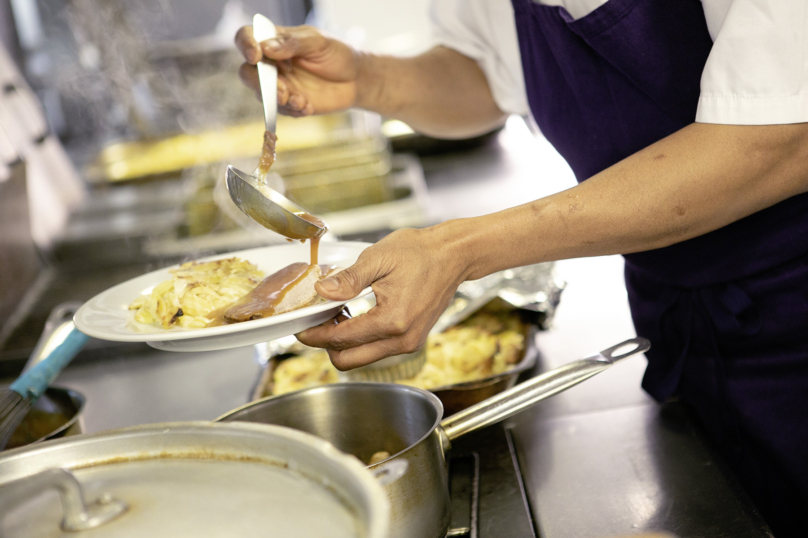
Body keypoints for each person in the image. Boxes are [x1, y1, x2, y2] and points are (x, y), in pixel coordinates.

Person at [235, 0, 808, 534]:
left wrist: (459, 248)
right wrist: (369, 78)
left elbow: (778, 138)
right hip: (680, 308)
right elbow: (491, 71)